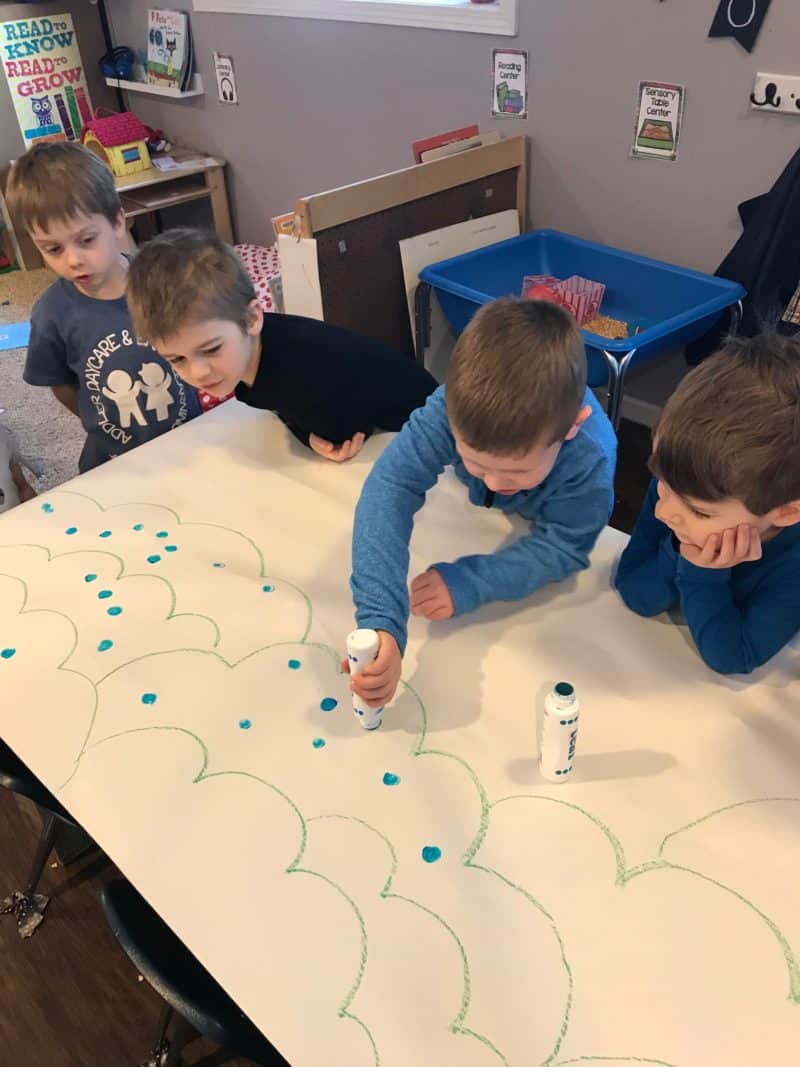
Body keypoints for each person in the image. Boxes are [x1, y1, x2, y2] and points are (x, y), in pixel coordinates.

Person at [347, 297, 617, 708]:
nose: (492, 480)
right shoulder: (447, 409)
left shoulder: (591, 461)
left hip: (557, 519)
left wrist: (471, 581)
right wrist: (380, 617)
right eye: (473, 462)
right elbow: (390, 487)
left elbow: (563, 546)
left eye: (517, 472)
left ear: (571, 429)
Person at [126, 228, 437, 462]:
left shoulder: (297, 374)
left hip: (427, 425)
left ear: (251, 318)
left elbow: (342, 426)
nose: (198, 372)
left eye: (211, 349)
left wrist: (312, 435)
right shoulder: (259, 353)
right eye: (177, 359)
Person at [6, 142, 201, 473]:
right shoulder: (51, 314)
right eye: (53, 249)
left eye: (86, 240)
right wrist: (95, 414)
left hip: (193, 440)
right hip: (114, 461)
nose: (73, 260)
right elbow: (60, 383)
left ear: (117, 223)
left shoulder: (164, 277)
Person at [615, 334, 800, 674]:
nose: (663, 510)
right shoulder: (680, 482)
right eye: (662, 486)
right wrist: (679, 551)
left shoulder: (792, 564)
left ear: (786, 512)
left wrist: (703, 574)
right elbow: (633, 591)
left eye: (699, 511)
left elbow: (734, 657)